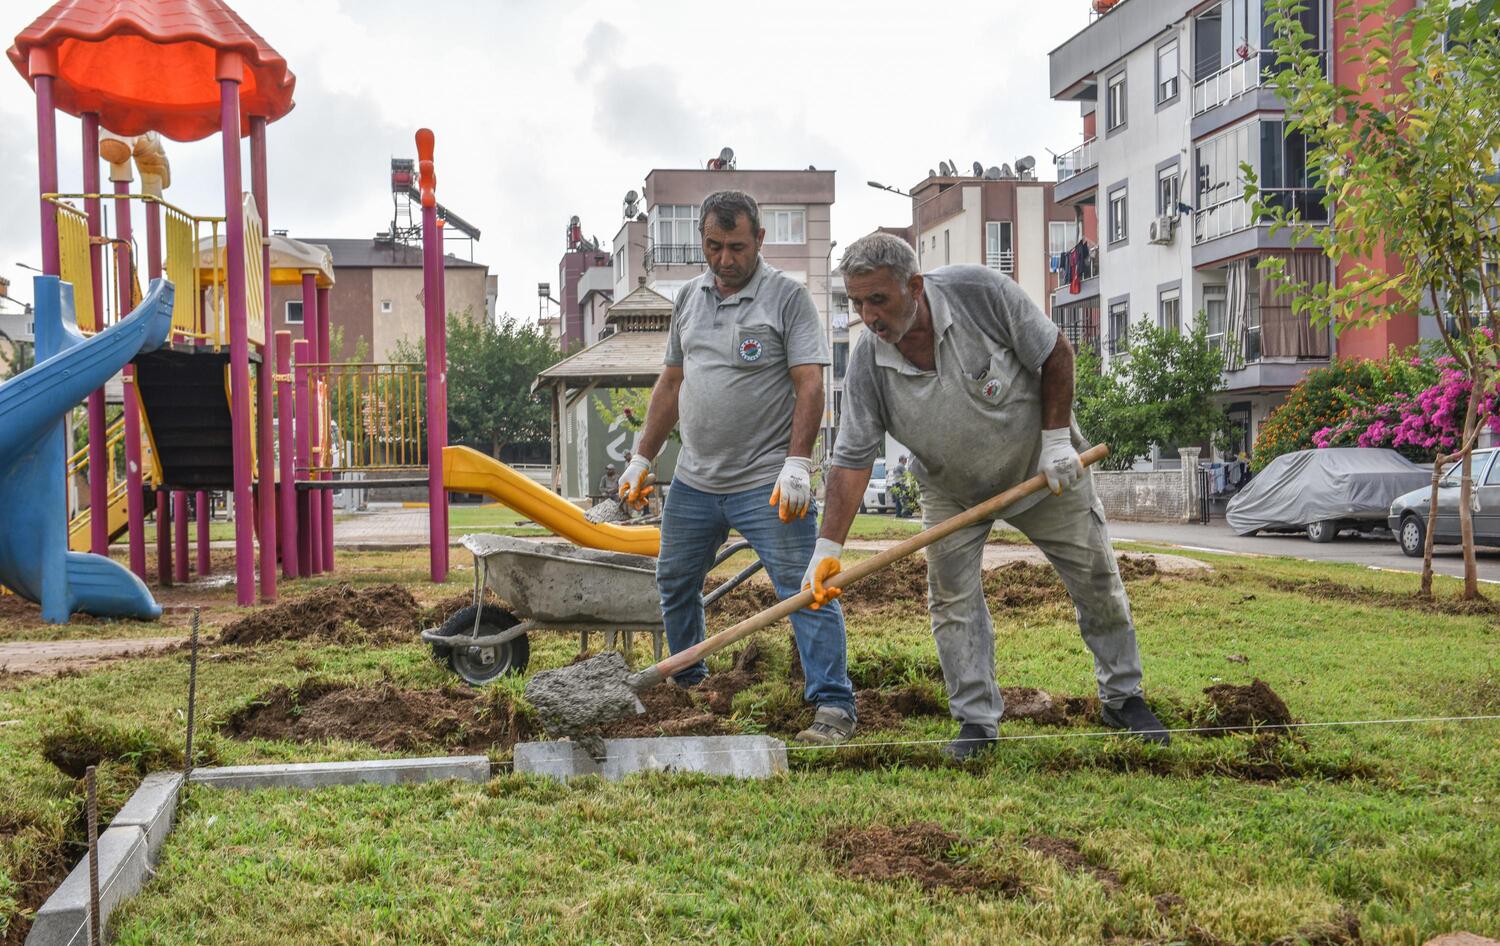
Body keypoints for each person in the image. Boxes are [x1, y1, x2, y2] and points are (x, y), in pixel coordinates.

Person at [803, 232, 1169, 760]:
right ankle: (976, 721)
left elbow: (1056, 353)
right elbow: (852, 459)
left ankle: (1123, 698)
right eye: (857, 303)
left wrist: (1056, 441)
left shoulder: (981, 293)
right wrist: (827, 548)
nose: (868, 316)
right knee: (952, 599)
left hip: (1042, 470)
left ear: (914, 286)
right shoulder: (868, 361)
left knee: (1096, 578)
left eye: (878, 300)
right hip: (951, 489)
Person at [618, 190, 857, 745]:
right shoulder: (688, 301)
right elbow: (672, 382)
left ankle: (833, 705)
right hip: (696, 482)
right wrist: (640, 457)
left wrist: (798, 462)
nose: (725, 259)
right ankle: (690, 686)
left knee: (806, 589)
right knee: (675, 582)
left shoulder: (787, 299)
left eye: (737, 247)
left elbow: (811, 383)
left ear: (760, 241)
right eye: (713, 246)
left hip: (769, 482)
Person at [891, 453, 910, 517]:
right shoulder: (901, 466)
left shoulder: (896, 466)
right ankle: (904, 514)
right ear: (901, 460)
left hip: (895, 484)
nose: (906, 461)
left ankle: (898, 514)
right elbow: (906, 474)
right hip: (900, 484)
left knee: (898, 500)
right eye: (905, 459)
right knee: (903, 499)